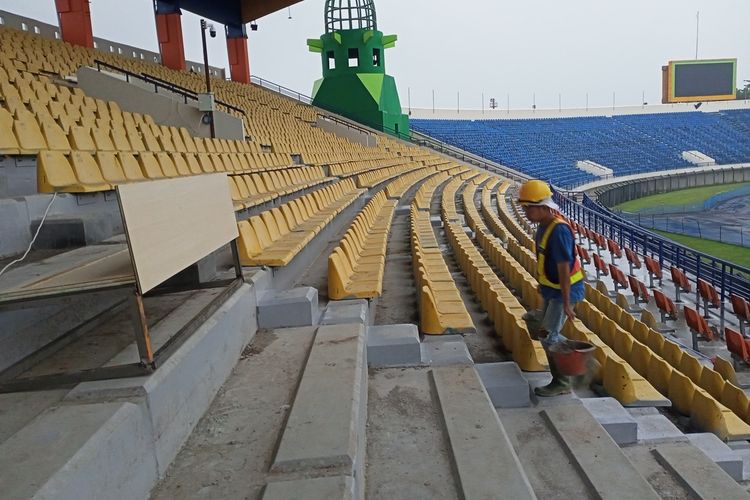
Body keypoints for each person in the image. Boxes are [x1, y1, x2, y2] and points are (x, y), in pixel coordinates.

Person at [517, 180, 585, 396]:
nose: (526, 212)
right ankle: (571, 359)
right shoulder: (544, 226)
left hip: (564, 291)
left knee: (549, 336)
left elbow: (564, 268)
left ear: (543, 206)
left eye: (529, 207)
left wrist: (566, 303)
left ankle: (563, 382)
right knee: (545, 332)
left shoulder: (559, 231)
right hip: (551, 289)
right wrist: (542, 285)